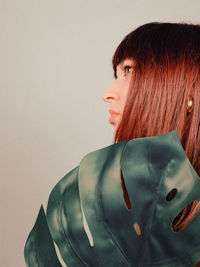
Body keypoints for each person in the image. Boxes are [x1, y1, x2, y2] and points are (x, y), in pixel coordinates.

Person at [24, 22, 200, 267]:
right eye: (116, 74)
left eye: (129, 70)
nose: (107, 92)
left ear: (189, 88)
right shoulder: (134, 209)